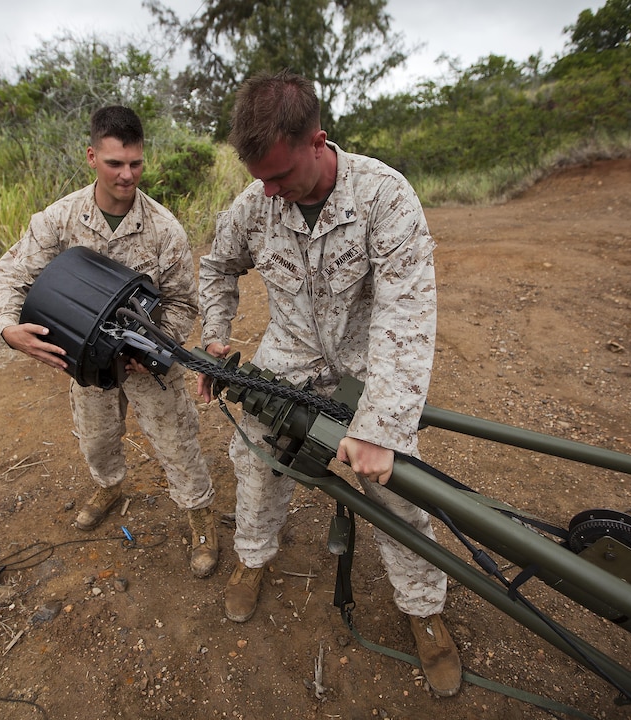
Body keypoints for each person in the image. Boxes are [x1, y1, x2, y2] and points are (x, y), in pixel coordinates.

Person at [196, 71, 462, 697]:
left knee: (397, 483)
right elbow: (217, 265)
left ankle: (423, 609)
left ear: (318, 141)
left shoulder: (384, 197)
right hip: (289, 354)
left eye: (280, 176)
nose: (270, 192)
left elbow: (407, 316)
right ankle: (253, 559)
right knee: (257, 460)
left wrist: (379, 429)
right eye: (260, 178)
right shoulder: (258, 201)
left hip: (366, 360)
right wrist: (215, 336)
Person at [0, 105, 219, 579]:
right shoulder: (61, 219)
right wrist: (9, 329)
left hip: (146, 362)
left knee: (177, 443)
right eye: (114, 163)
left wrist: (154, 347)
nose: (127, 175)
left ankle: (199, 517)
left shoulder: (163, 229)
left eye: (135, 163)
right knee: (96, 440)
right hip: (87, 363)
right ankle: (109, 486)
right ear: (92, 156)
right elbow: (10, 273)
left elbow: (181, 302)